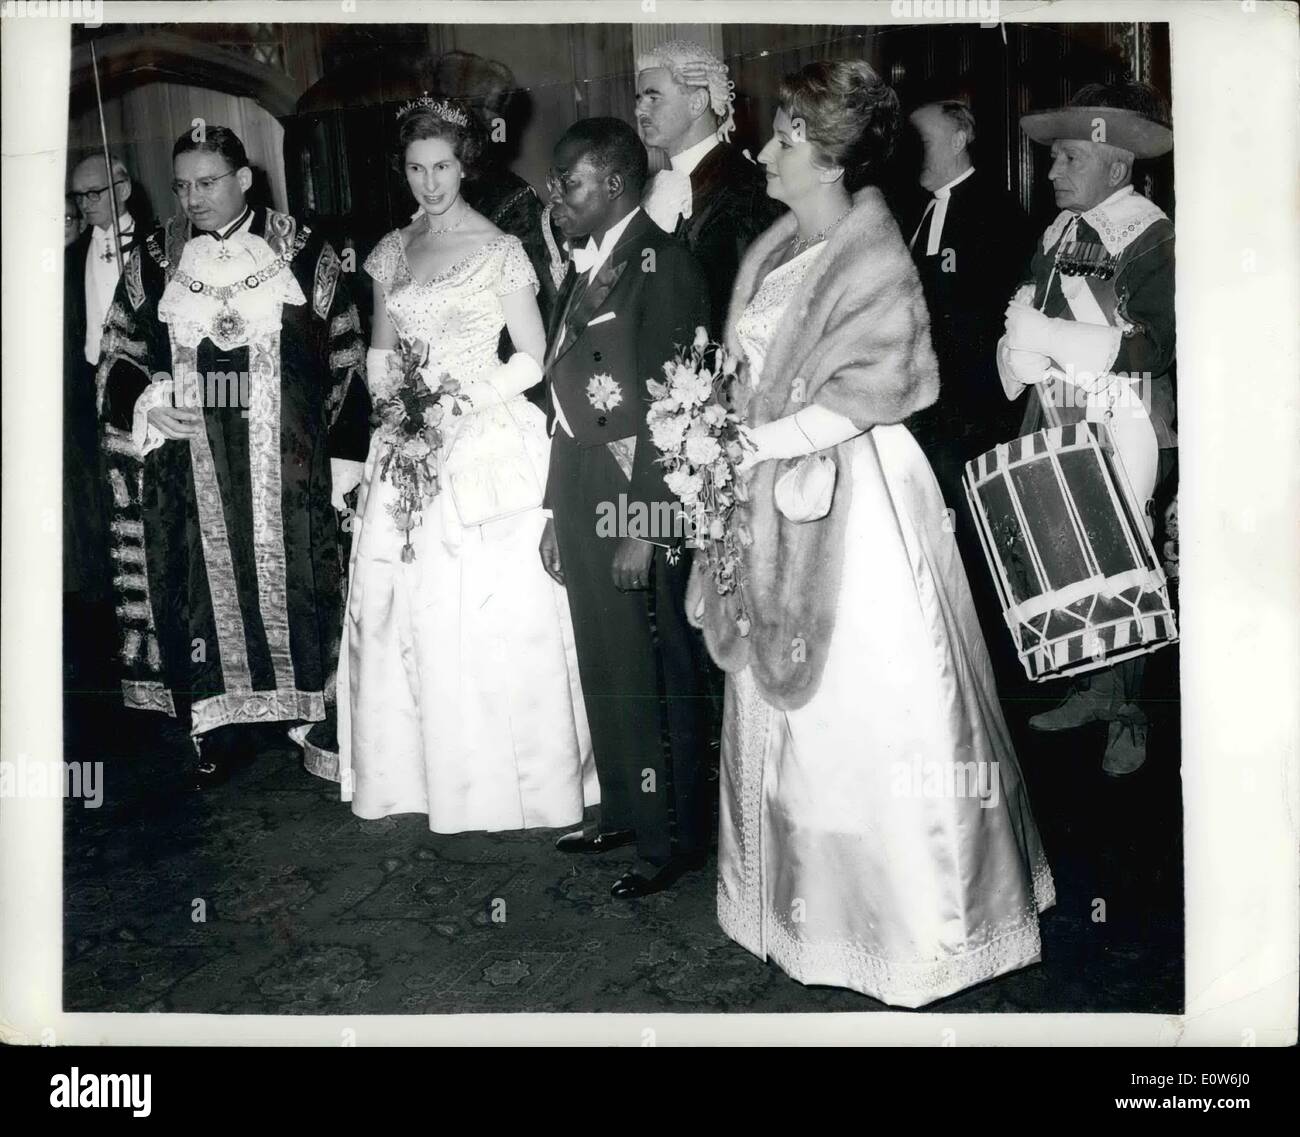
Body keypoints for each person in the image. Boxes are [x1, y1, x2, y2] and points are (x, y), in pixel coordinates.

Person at [693, 61, 1055, 1008]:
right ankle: (786, 905)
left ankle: (906, 928)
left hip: (849, 497)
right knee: (776, 699)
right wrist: (717, 428)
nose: (768, 152)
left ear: (829, 155)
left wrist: (746, 443)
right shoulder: (773, 249)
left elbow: (872, 389)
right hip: (771, 491)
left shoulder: (873, 253)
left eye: (786, 139)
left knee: (871, 704)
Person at [337, 98, 596, 833]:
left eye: (443, 167)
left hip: (482, 432)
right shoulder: (391, 250)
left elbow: (532, 355)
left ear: (465, 165)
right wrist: (399, 409)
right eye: (416, 169)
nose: (429, 183)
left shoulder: (500, 249)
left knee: (486, 605)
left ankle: (509, 780)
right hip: (408, 437)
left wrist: (455, 404)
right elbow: (381, 353)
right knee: (400, 603)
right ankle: (414, 772)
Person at [97, 125, 370, 788]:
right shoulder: (157, 258)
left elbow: (349, 354)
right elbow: (118, 352)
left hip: (290, 466)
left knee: (304, 577)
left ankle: (308, 711)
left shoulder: (306, 253)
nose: (193, 197)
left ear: (244, 179)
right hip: (192, 468)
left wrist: (345, 455)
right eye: (183, 184)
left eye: (208, 182)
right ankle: (218, 725)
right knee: (201, 589)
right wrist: (146, 402)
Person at [540, 117, 713, 899]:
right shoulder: (586, 268)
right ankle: (619, 806)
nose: (556, 197)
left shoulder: (665, 264)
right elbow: (565, 399)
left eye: (569, 183)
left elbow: (681, 407)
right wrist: (553, 509)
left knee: (651, 658)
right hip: (580, 486)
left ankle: (670, 834)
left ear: (613, 183)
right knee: (602, 655)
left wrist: (647, 522)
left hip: (639, 494)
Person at [997, 82, 1176, 776]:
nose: (1051, 171)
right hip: (1055, 408)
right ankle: (1090, 684)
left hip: (1125, 416)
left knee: (1127, 560)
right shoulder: (1060, 233)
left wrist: (1057, 337)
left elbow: (1155, 343)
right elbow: (1027, 308)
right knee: (1071, 554)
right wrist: (1017, 347)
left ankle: (1128, 712)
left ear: (1116, 167)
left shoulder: (1152, 235)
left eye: (1069, 159)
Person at [900, 94, 1035, 690]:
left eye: (923, 138)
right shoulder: (915, 213)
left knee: (985, 548)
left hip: (979, 416)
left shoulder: (1000, 212)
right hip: (925, 415)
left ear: (958, 139)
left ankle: (1001, 675)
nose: (912, 153)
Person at [635, 39, 784, 336]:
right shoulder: (652, 189)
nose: (640, 109)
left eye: (653, 98)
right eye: (638, 98)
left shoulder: (742, 188)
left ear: (697, 103)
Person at [65, 155, 141, 691]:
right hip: (86, 402)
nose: (86, 205)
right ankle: (114, 637)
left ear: (123, 188)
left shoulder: (159, 246)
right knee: (99, 515)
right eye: (80, 197)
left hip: (142, 394)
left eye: (94, 194)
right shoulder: (71, 260)